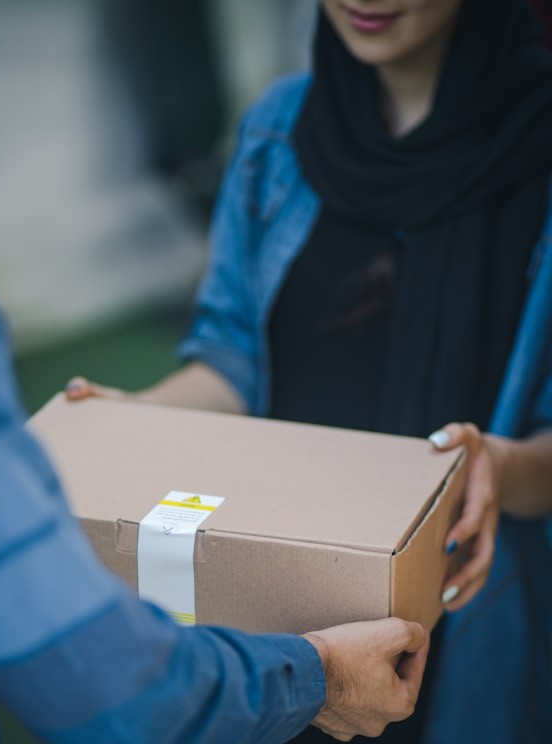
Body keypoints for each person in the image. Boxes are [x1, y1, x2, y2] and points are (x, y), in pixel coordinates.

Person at [0, 3, 434, 744]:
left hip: (448, 586)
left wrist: (500, 469)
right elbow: (104, 681)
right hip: (300, 612)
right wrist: (318, 676)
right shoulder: (278, 130)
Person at [67, 0, 552, 741]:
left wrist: (499, 469)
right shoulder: (277, 129)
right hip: (282, 607)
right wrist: (129, 419)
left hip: (471, 612)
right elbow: (234, 362)